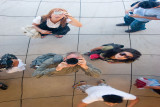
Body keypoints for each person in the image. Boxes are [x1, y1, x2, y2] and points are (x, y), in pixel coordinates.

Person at [73, 79, 139, 107]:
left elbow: (136, 99)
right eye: (109, 103)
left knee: (103, 85)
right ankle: (82, 84)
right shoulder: (94, 96)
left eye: (114, 103)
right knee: (81, 87)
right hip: (90, 89)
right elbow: (81, 105)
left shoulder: (124, 95)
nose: (111, 105)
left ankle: (101, 82)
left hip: (104, 88)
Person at [31, 52, 101, 78]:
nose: (73, 62)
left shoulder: (81, 63)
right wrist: (56, 69)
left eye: (75, 60)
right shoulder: (52, 61)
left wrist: (86, 67)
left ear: (80, 59)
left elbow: (97, 75)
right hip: (53, 70)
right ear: (64, 58)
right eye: (71, 59)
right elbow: (35, 75)